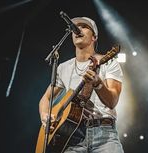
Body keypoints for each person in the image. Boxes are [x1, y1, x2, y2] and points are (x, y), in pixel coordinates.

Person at [39, 16, 124, 153]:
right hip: (71, 137)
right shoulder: (63, 67)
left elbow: (112, 101)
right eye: (75, 27)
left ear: (94, 37)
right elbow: (45, 99)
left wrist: (98, 84)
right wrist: (45, 116)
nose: (78, 29)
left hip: (104, 136)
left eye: (84, 27)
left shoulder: (108, 62)